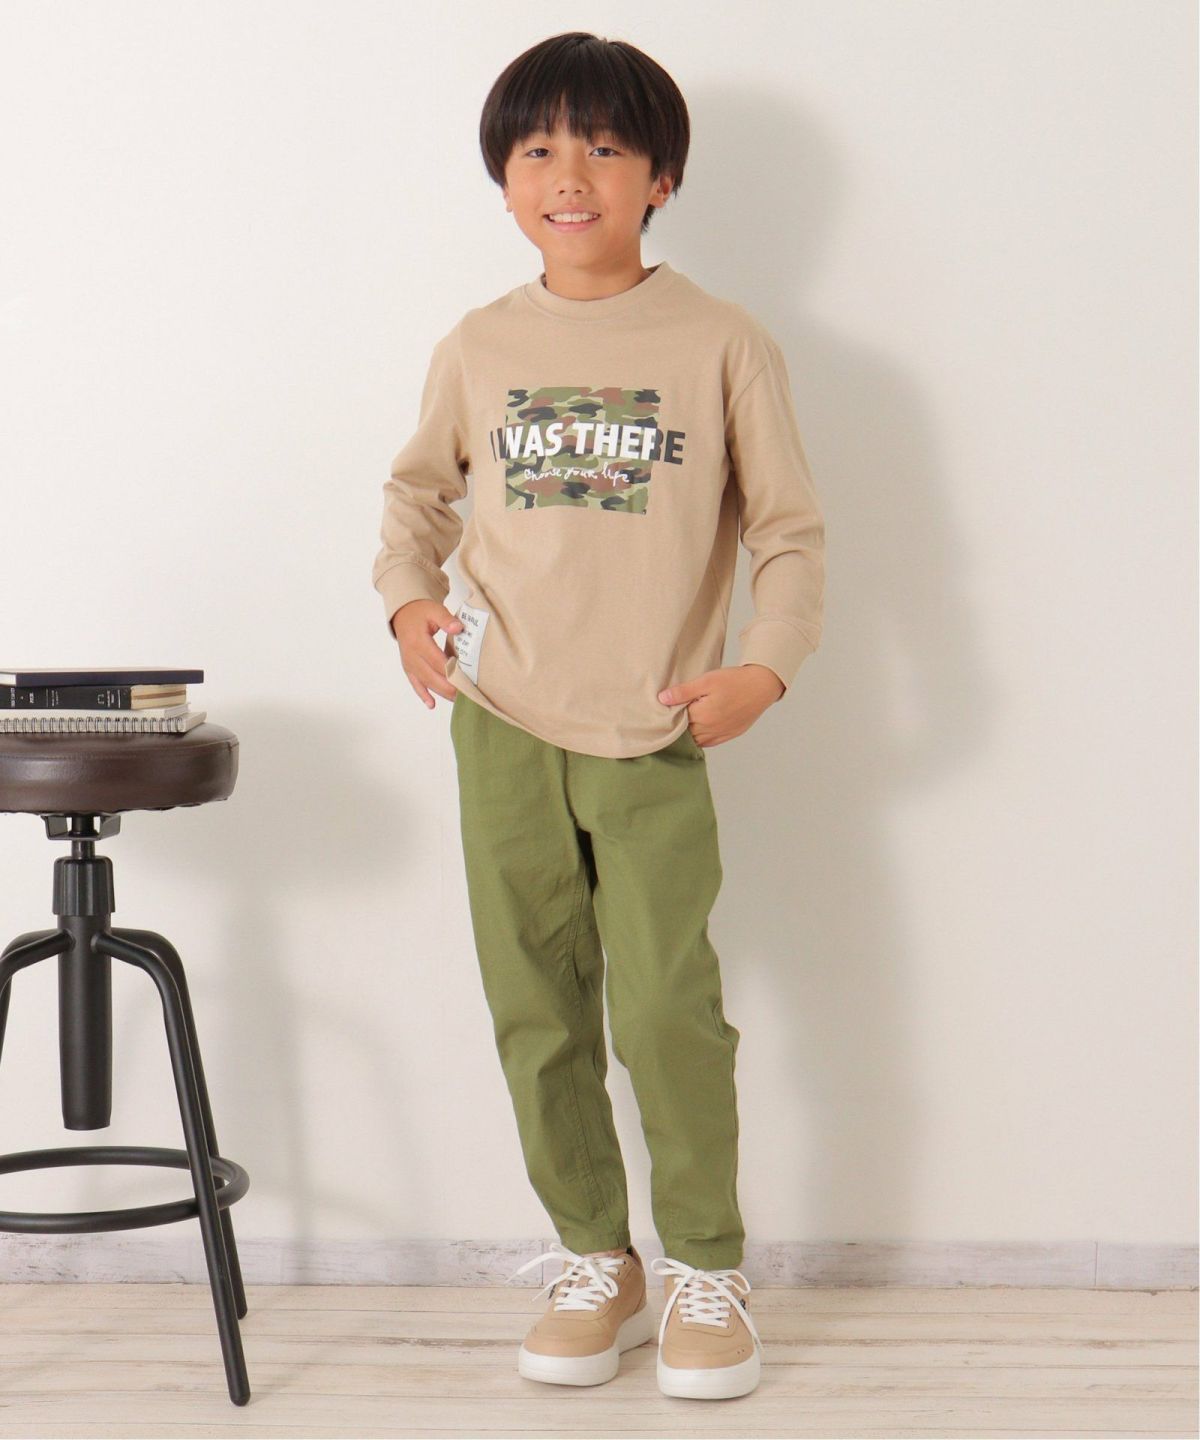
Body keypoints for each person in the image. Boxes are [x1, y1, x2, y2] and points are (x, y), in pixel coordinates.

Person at [371, 31, 825, 1402]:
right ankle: (595, 1259)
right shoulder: (480, 345)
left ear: (660, 179)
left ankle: (705, 1268)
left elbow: (788, 529)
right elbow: (416, 497)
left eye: (606, 148)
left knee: (670, 1008)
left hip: (655, 726)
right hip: (502, 719)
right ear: (505, 178)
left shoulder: (722, 341)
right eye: (538, 151)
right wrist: (409, 603)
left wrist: (767, 666)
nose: (570, 176)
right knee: (537, 1007)